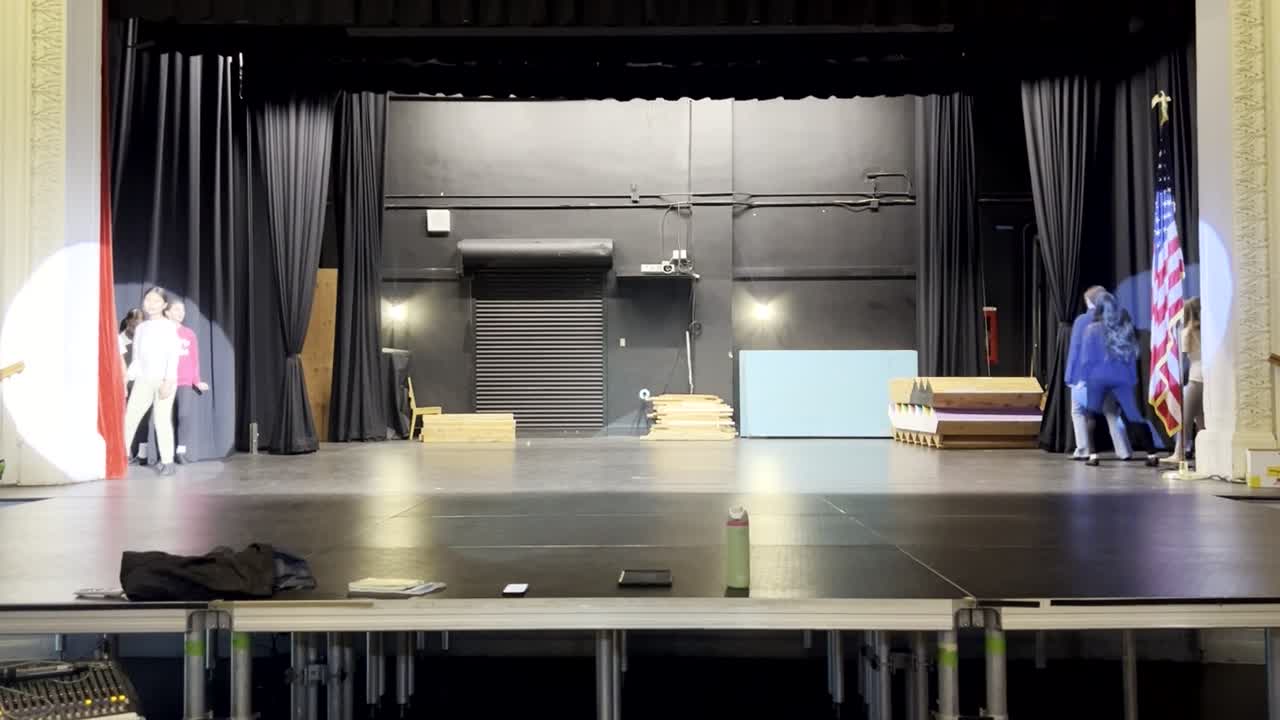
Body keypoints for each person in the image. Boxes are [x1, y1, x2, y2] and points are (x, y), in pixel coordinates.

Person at [1078, 292, 1155, 464]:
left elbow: (1086, 359)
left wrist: (1084, 377)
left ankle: (1093, 456)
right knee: (1134, 415)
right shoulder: (1124, 328)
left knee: (1091, 414)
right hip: (1121, 377)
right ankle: (1152, 454)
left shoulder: (1091, 329)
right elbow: (1132, 355)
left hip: (1098, 377)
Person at [1063, 285, 1127, 459]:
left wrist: (1069, 376)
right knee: (1112, 413)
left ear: (1089, 300)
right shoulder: (1115, 318)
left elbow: (1075, 349)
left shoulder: (1082, 320)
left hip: (1084, 375)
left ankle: (1083, 449)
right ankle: (1124, 451)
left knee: (1078, 411)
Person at [122, 286, 180, 476]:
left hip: (164, 380)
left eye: (156, 301)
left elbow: (173, 356)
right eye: (148, 300)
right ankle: (121, 457)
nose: (151, 304)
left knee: (162, 420)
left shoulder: (170, 327)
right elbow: (137, 358)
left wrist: (168, 381)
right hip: (143, 379)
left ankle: (167, 462)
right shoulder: (141, 328)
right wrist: (127, 377)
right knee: (130, 418)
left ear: (164, 305)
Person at [164, 299, 209, 464]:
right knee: (164, 417)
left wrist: (196, 380)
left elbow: (194, 360)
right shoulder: (161, 332)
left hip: (184, 380)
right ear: (167, 312)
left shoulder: (189, 334)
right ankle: (165, 453)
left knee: (184, 415)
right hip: (166, 380)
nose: (181, 313)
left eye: (182, 310)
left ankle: (181, 451)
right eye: (177, 309)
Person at [1168, 296, 1205, 462]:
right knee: (1202, 420)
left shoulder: (1187, 333)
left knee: (1185, 419)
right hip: (1209, 378)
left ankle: (1179, 453)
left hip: (1195, 379)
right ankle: (1205, 454)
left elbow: (1180, 358)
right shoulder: (1208, 331)